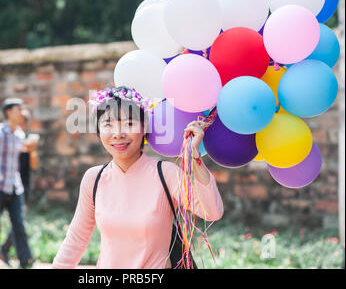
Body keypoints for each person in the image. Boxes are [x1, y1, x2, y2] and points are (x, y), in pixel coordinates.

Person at [52, 86, 224, 269]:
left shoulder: (165, 173)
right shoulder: (94, 178)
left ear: (144, 129)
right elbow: (77, 237)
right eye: (108, 124)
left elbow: (212, 211)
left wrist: (195, 157)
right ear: (98, 131)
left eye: (129, 124)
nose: (118, 134)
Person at [0, 98, 34, 269]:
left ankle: (25, 262)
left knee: (19, 224)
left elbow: (24, 154)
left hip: (15, 187)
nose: (22, 113)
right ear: (8, 112)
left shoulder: (19, 134)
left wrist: (32, 146)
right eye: (19, 109)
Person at [0, 107, 39, 265]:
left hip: (24, 184)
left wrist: (31, 150)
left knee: (19, 221)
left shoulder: (27, 138)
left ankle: (4, 250)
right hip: (7, 184)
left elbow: (34, 165)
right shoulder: (8, 136)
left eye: (24, 122)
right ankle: (21, 256)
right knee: (17, 222)